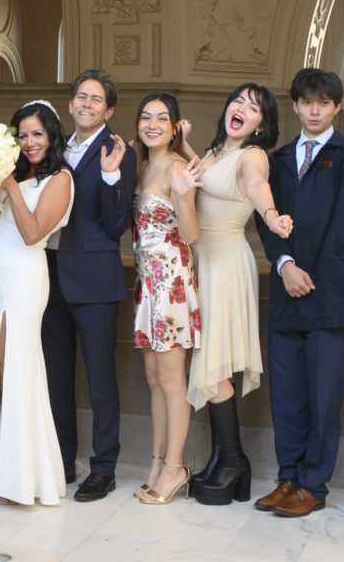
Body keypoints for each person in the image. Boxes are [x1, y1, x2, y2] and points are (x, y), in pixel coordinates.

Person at [254, 66, 344, 517]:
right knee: (286, 395)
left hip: (331, 295)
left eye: (324, 103)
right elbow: (263, 218)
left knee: (324, 398)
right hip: (288, 293)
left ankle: (313, 486)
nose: (314, 110)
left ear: (336, 108)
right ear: (295, 105)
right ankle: (288, 478)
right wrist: (283, 265)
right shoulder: (280, 159)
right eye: (307, 102)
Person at [0, 101, 74, 506]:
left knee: (14, 368)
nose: (29, 143)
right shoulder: (20, 176)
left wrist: (8, 186)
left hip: (23, 282)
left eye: (37, 134)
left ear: (52, 136)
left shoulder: (59, 179)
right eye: (22, 135)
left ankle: (20, 475)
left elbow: (33, 233)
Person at [187, 84, 293, 506]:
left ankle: (232, 460)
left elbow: (256, 186)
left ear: (261, 124)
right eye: (238, 101)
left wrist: (271, 215)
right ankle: (224, 459)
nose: (242, 110)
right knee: (212, 365)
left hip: (225, 263)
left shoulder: (252, 155)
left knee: (214, 366)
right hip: (202, 260)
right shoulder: (216, 151)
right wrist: (181, 138)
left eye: (253, 109)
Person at [42, 69, 136, 502]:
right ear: (70, 103)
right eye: (81, 97)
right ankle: (62, 459)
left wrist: (113, 176)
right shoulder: (54, 147)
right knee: (56, 375)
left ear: (108, 110)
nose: (86, 104)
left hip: (96, 280)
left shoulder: (119, 151)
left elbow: (118, 224)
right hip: (50, 277)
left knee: (100, 378)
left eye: (96, 100)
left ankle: (104, 467)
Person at [131, 93, 202, 505]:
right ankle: (157, 460)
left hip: (172, 282)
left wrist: (182, 194)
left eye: (162, 118)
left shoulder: (177, 166)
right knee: (155, 380)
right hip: (147, 284)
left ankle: (175, 467)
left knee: (173, 382)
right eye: (145, 117)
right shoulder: (143, 167)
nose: (152, 124)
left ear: (175, 126)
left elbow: (191, 234)